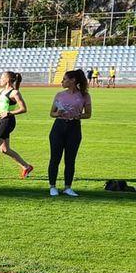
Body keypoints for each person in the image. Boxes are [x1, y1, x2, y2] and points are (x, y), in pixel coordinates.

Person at [48, 69, 92, 197]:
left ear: (73, 80)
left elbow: (88, 114)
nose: (62, 81)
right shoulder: (59, 95)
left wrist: (79, 115)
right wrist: (58, 113)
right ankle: (52, 186)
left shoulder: (84, 96)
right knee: (55, 158)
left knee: (70, 160)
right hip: (59, 127)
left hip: (74, 127)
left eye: (65, 79)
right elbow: (52, 113)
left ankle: (68, 187)